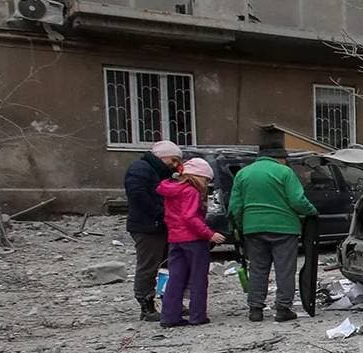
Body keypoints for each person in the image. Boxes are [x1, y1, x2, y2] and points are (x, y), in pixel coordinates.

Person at [228, 127, 317, 322]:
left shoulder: (243, 174)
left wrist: (240, 227)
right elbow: (297, 200)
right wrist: (312, 211)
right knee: (284, 269)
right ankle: (283, 308)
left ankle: (255, 309)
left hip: (253, 228)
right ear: (280, 158)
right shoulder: (284, 172)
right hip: (284, 228)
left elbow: (235, 206)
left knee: (258, 269)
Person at [157, 158, 226, 327]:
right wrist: (210, 234)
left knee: (176, 278)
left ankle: (169, 316)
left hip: (175, 239)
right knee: (198, 278)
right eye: (206, 180)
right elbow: (190, 217)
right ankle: (197, 315)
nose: (206, 184)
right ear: (198, 176)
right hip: (194, 240)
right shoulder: (191, 192)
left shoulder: (171, 190)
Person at [123, 139, 181, 321]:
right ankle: (146, 305)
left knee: (165, 265)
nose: (175, 165)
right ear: (164, 157)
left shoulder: (152, 170)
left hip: (157, 224)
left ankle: (168, 302)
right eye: (174, 160)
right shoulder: (141, 169)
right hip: (147, 227)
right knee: (148, 266)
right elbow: (138, 196)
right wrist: (160, 213)